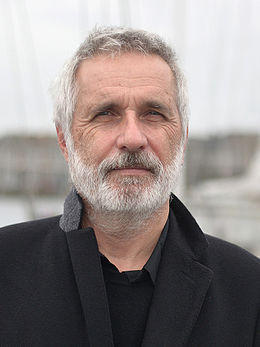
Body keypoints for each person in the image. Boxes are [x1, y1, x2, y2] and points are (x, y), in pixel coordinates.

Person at [0, 26, 259, 347]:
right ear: (64, 140)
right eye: (105, 113)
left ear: (183, 136)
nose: (133, 139)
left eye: (154, 113)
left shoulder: (249, 288)